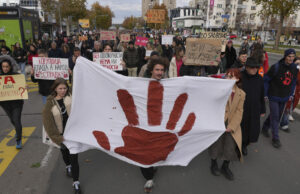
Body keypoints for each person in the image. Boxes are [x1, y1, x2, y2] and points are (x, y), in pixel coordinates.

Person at [42, 78, 81, 194]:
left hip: (73, 134)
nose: (63, 90)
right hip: (60, 135)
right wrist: (58, 138)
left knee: (74, 157)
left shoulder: (71, 97)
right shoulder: (49, 103)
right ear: (55, 89)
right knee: (65, 153)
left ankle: (76, 182)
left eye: (65, 88)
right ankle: (67, 165)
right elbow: (48, 124)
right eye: (60, 88)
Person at [209, 68, 245, 181]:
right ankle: (213, 163)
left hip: (232, 124)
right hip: (219, 122)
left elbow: (239, 111)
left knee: (230, 146)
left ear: (237, 79)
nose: (228, 78)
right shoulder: (220, 89)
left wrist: (232, 126)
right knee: (216, 144)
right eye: (227, 76)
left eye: (231, 76)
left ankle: (225, 166)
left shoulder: (241, 94)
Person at [142, 57, 169, 192]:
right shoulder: (142, 84)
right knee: (143, 152)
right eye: (157, 69)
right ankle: (148, 177)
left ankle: (152, 166)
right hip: (144, 124)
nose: (159, 72)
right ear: (151, 70)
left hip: (160, 125)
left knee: (155, 150)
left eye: (162, 70)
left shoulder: (169, 84)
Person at [262, 49, 298, 148]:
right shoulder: (276, 67)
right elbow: (265, 80)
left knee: (275, 115)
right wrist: (265, 93)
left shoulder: (294, 68)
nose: (291, 58)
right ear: (285, 56)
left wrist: (291, 93)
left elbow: (294, 81)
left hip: (285, 96)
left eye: (293, 56)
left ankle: (265, 127)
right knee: (276, 117)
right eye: (289, 56)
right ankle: (275, 138)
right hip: (273, 95)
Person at [240, 57, 266, 156]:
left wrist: (262, 109)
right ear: (246, 67)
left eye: (256, 67)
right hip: (242, 108)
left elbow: (261, 94)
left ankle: (245, 145)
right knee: (242, 128)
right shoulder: (240, 77)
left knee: (252, 129)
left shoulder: (259, 78)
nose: (254, 69)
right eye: (252, 67)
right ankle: (240, 145)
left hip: (255, 108)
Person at [0, 59, 24, 149]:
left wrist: (25, 87)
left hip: (17, 103)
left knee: (17, 120)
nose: (5, 68)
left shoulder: (17, 76)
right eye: (3, 66)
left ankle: (18, 139)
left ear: (10, 67)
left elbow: (22, 87)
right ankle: (18, 130)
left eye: (7, 66)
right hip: (5, 104)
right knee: (13, 120)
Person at [280, 57, 300, 130]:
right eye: (297, 63)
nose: (298, 65)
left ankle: (283, 121)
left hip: (295, 93)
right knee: (284, 108)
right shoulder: (290, 70)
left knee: (290, 107)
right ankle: (284, 124)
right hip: (285, 92)